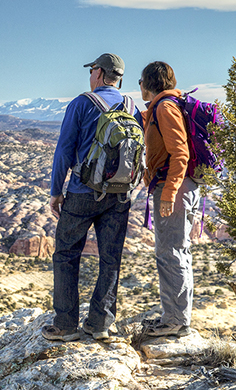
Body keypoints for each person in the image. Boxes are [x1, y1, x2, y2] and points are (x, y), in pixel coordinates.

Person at [42, 53, 143, 341]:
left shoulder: (82, 103)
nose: (90, 75)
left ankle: (65, 325)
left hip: (82, 192)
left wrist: (55, 192)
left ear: (98, 73)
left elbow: (63, 150)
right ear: (119, 78)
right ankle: (100, 324)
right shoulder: (131, 106)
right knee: (110, 259)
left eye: (92, 70)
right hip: (119, 195)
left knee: (66, 255)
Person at [139, 61, 197, 337]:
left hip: (174, 188)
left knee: (170, 253)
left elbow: (180, 153)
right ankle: (177, 317)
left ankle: (174, 321)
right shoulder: (163, 107)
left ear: (149, 83)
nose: (138, 86)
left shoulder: (165, 107)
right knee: (178, 252)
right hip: (182, 186)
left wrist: (169, 193)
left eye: (140, 81)